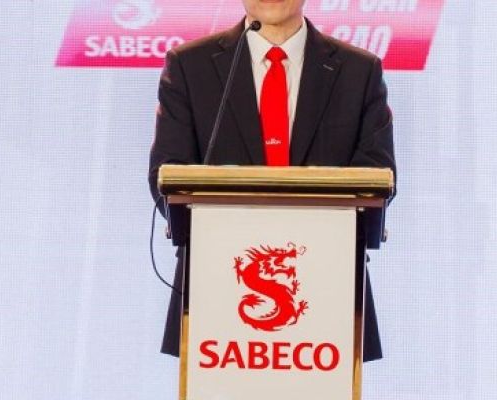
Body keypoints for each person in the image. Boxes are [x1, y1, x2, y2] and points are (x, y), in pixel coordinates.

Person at [148, 0, 395, 362]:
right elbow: (167, 172)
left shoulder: (358, 71)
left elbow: (378, 174)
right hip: (217, 291)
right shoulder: (190, 66)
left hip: (327, 289)